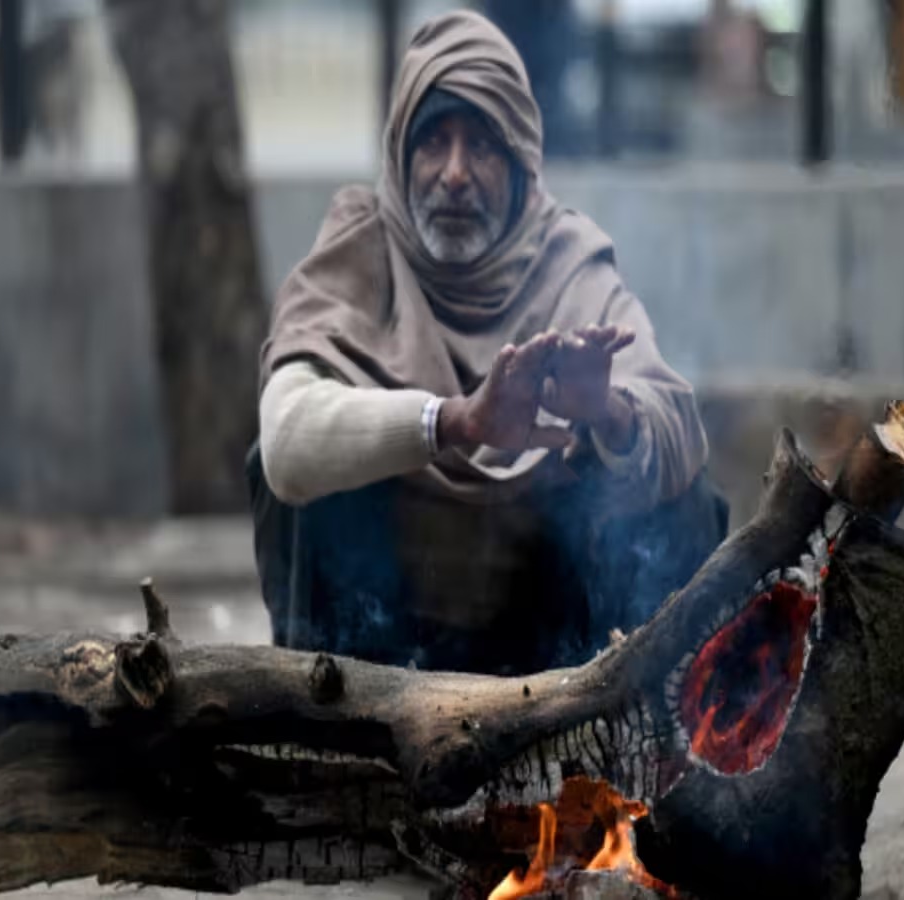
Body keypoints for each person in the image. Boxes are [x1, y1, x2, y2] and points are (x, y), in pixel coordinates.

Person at [247, 11, 727, 676]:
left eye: (481, 146)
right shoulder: (362, 243)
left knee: (682, 493)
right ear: (400, 152)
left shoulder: (566, 259)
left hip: (540, 649)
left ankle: (642, 737)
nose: (453, 173)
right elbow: (286, 443)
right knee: (295, 478)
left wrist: (609, 414)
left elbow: (676, 422)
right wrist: (455, 421)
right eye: (433, 142)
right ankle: (319, 733)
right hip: (379, 643)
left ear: (522, 165)